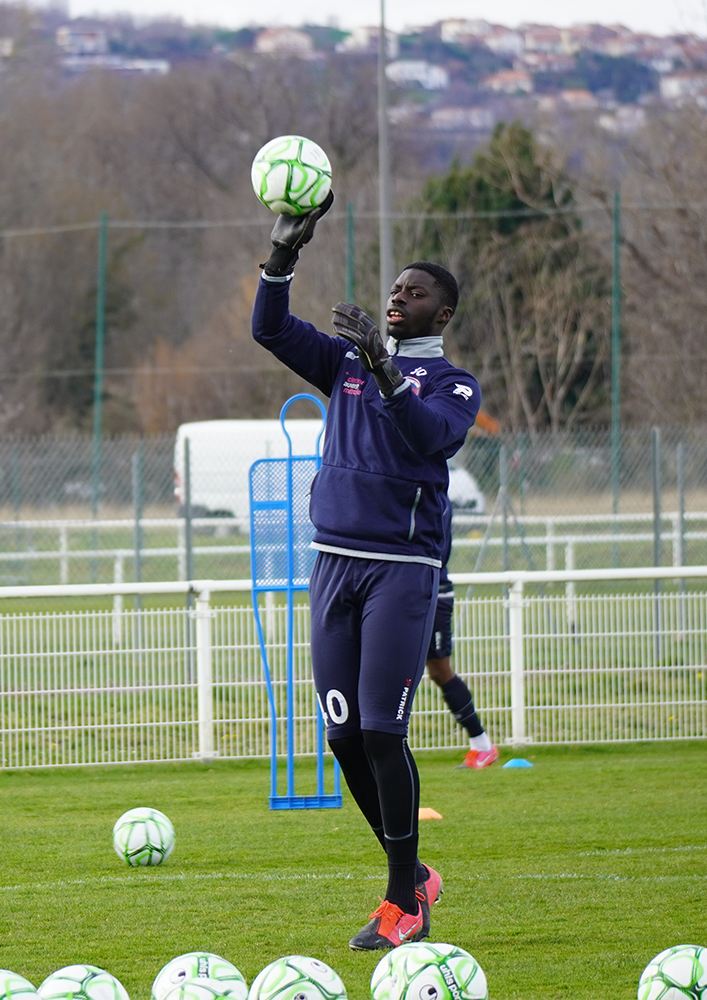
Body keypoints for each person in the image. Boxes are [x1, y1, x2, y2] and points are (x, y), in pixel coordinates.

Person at [251, 194, 482, 951]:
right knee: (345, 737)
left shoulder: (452, 385)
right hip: (334, 567)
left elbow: (427, 441)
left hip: (400, 574)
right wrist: (282, 258)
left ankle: (400, 900)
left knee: (384, 730)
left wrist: (387, 370)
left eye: (415, 292)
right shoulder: (348, 360)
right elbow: (271, 329)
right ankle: (412, 876)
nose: (397, 297)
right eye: (395, 288)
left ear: (441, 316)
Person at [426, 513, 499, 768]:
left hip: (434, 592)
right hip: (405, 589)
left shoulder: (435, 497)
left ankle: (482, 745)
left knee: (440, 670)